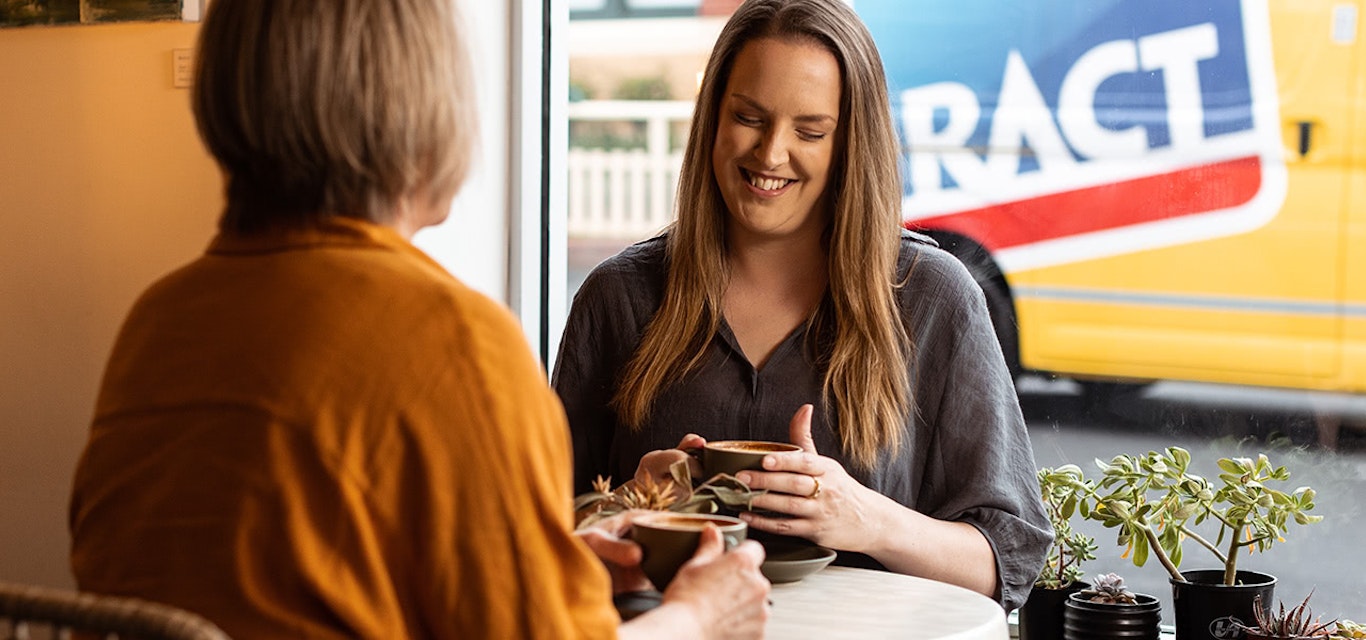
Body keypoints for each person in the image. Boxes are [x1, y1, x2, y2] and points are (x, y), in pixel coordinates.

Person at [67, 0, 769, 638]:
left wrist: (546, 569)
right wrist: (697, 617)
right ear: (424, 104)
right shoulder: (455, 342)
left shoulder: (157, 323)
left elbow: (291, 581)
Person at [553, 0, 1051, 611]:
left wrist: (866, 518)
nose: (769, 154)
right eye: (748, 118)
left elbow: (1009, 563)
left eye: (809, 131)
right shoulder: (619, 297)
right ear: (713, 117)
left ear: (851, 144)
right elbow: (539, 538)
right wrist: (633, 503)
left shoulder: (933, 299)